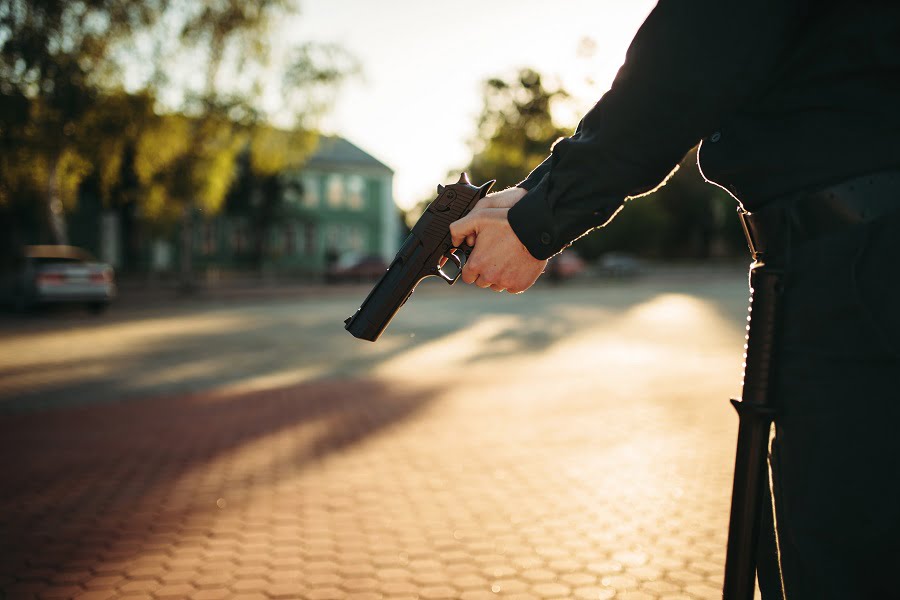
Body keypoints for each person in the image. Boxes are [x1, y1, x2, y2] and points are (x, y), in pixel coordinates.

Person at [448, 1, 900, 598]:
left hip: (858, 270)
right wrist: (532, 195)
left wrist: (543, 216)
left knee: (849, 550)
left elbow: (690, 61)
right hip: (858, 254)